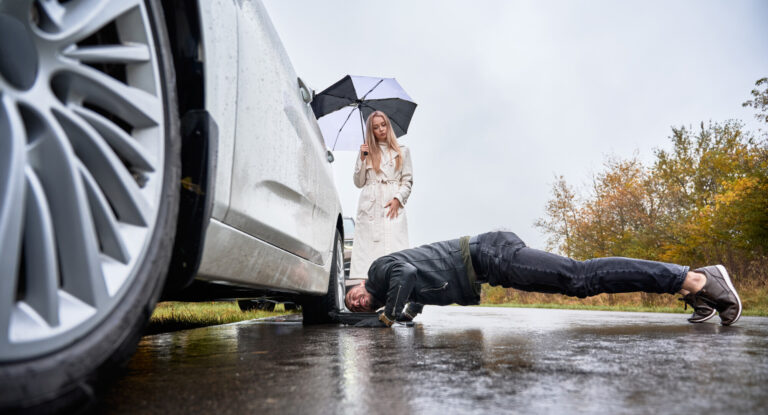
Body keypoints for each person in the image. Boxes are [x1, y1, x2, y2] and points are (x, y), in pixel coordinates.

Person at [344, 231, 742, 327]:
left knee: (580, 276)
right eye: (354, 306)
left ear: (359, 283)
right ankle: (694, 286)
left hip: (490, 253)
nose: (356, 302)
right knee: (579, 285)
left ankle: (695, 280)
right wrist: (409, 313)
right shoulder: (392, 291)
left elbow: (408, 272)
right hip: (491, 262)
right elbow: (417, 288)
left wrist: (385, 317)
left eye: (353, 295)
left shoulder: (379, 271)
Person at [349, 111, 414, 280]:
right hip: (370, 206)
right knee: (367, 253)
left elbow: (407, 181)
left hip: (392, 205)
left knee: (394, 248)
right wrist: (362, 158)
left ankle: (396, 290)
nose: (381, 130)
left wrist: (398, 199)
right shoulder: (366, 151)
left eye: (383, 125)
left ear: (388, 125)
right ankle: (367, 295)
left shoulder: (402, 151)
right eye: (376, 127)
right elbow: (358, 182)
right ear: (371, 131)